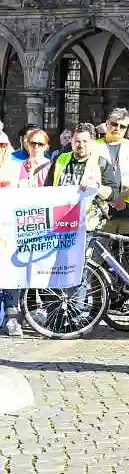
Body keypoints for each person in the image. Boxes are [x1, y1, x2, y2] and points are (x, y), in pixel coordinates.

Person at [99, 108, 129, 236]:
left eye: (122, 126)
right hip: (100, 208)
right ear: (106, 123)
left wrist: (122, 196)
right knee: (99, 253)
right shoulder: (94, 146)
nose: (117, 128)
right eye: (114, 124)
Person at [0, 130, 23, 335]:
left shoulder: (16, 168)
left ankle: (12, 316)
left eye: (2, 146)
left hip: (10, 228)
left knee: (10, 273)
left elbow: (25, 193)